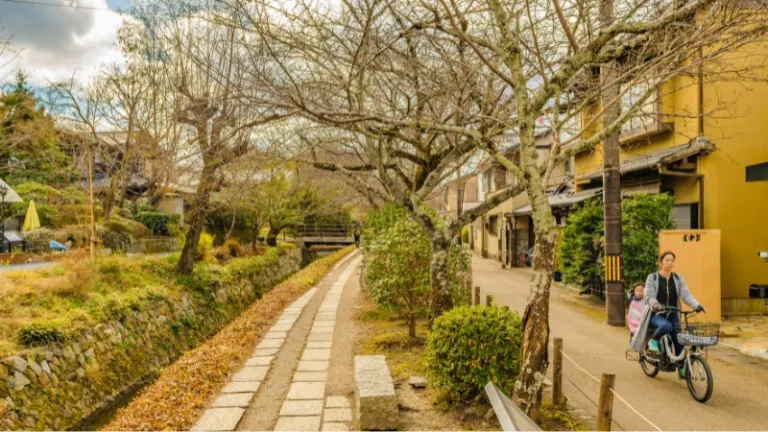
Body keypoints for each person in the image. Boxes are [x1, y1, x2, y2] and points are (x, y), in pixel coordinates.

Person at [644, 251, 705, 378]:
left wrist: (697, 306)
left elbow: (686, 295)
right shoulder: (652, 278)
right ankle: (653, 342)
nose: (670, 262)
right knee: (667, 327)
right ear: (660, 262)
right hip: (656, 313)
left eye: (672, 260)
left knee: (679, 340)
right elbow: (648, 296)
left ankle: (681, 367)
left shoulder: (677, 278)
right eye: (667, 260)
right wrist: (656, 305)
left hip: (673, 313)